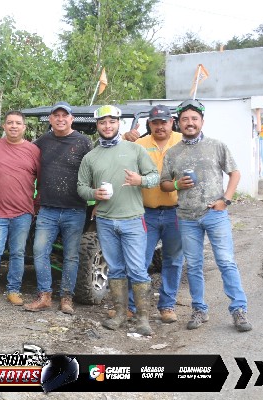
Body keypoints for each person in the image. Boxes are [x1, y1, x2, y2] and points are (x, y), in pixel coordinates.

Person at [160, 99, 252, 332]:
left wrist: (226, 200)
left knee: (226, 261)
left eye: (194, 118)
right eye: (185, 119)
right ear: (178, 123)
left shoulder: (216, 146)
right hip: (186, 217)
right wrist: (177, 184)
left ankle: (239, 310)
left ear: (202, 121)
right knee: (193, 265)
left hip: (214, 214)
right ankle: (199, 309)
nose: (190, 123)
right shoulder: (173, 153)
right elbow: (164, 184)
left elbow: (235, 173)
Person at [77, 105, 159, 336]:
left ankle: (143, 319)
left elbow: (154, 177)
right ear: (97, 125)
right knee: (115, 269)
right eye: (103, 122)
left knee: (137, 269)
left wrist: (140, 180)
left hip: (133, 219)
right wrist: (94, 194)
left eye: (112, 121)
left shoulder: (135, 149)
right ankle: (121, 314)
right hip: (105, 221)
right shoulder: (91, 157)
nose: (107, 126)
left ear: (118, 123)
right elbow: (81, 187)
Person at [23, 101, 93, 315]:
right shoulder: (43, 141)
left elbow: (96, 168)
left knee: (71, 256)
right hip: (47, 209)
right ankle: (44, 295)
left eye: (65, 115)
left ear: (72, 119)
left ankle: (66, 297)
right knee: (39, 251)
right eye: (56, 115)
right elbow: (21, 150)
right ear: (51, 119)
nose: (60, 119)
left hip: (75, 209)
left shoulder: (84, 142)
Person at [123, 105, 184, 323]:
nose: (160, 126)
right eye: (155, 123)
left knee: (173, 260)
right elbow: (117, 155)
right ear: (149, 124)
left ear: (172, 122)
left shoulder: (182, 140)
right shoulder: (140, 144)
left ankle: (167, 306)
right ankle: (132, 306)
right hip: (146, 212)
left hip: (176, 212)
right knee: (138, 260)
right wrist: (124, 138)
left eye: (164, 122)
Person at [0, 111, 40, 308]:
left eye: (18, 123)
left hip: (23, 212)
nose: (13, 126)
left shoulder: (33, 150)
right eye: (10, 122)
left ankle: (14, 290)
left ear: (24, 127)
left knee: (18, 253)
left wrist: (37, 204)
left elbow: (44, 179)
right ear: (3, 126)